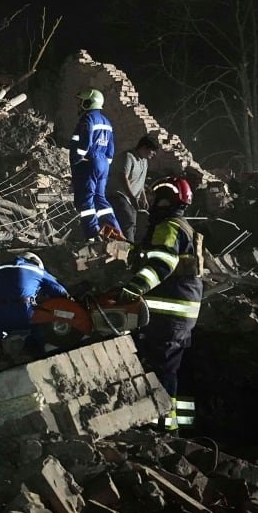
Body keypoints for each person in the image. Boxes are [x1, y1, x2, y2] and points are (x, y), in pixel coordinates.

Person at [114, 177, 204, 430]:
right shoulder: (185, 227)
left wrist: (136, 286)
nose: (158, 203)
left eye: (164, 198)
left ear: (174, 202)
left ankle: (160, 427)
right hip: (182, 312)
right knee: (172, 369)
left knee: (160, 368)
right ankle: (178, 426)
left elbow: (163, 263)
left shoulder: (168, 227)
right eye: (158, 197)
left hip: (169, 312)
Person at [0, 252, 69, 357]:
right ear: (36, 263)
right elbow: (61, 293)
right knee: (42, 325)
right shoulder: (38, 271)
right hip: (24, 314)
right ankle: (31, 348)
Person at [70, 88, 120, 240]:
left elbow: (85, 143)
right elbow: (111, 149)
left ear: (88, 102)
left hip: (88, 163)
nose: (78, 105)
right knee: (100, 199)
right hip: (103, 164)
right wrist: (104, 164)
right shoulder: (107, 122)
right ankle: (115, 232)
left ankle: (93, 234)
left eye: (81, 102)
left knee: (86, 201)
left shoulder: (87, 119)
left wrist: (77, 160)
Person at [108, 135, 159, 242]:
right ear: (144, 147)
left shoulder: (144, 162)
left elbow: (140, 182)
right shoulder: (128, 157)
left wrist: (143, 197)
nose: (154, 154)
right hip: (119, 196)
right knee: (128, 221)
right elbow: (123, 177)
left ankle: (118, 244)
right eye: (152, 150)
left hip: (131, 199)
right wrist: (132, 197)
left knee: (132, 226)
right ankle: (127, 249)